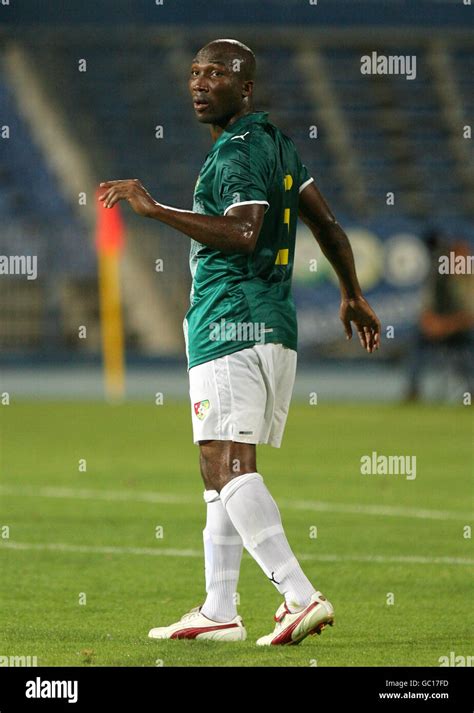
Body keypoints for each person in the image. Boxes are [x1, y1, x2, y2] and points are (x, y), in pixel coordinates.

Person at [99, 39, 381, 646]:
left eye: (217, 74)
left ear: (245, 87)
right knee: (216, 470)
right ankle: (219, 609)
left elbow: (245, 232)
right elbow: (326, 224)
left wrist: (153, 210)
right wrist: (352, 293)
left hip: (229, 322)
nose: (200, 84)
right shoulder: (277, 144)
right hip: (273, 326)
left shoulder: (234, 153)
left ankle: (300, 595)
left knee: (226, 465)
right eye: (195, 73)